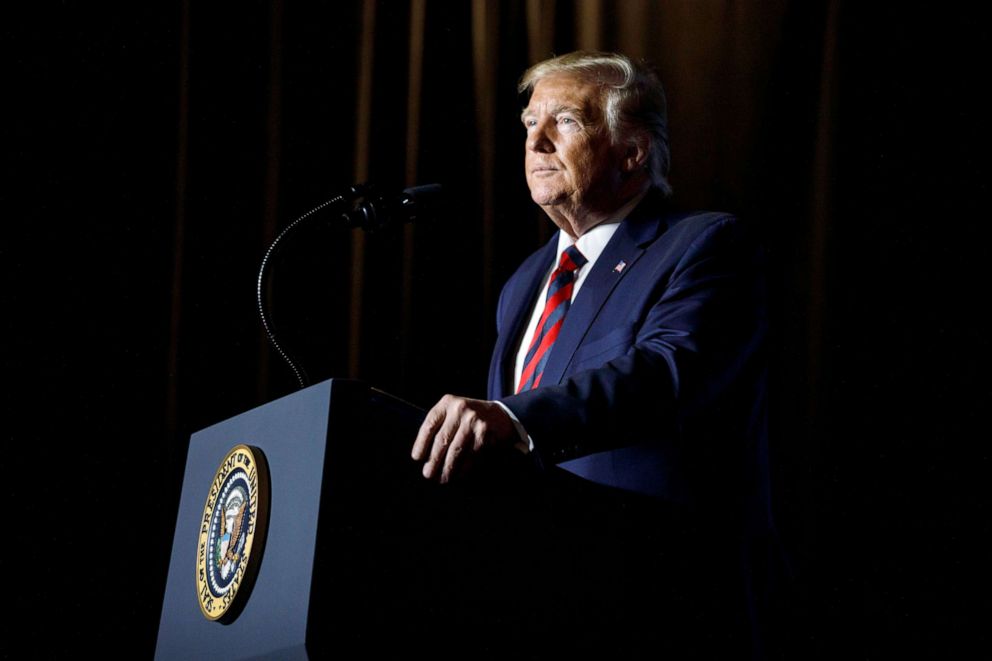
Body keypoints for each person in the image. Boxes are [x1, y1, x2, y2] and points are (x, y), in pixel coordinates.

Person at [411, 51, 777, 657]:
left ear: (632, 152)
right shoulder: (525, 282)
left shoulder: (704, 245)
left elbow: (666, 373)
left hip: (665, 604)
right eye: (530, 124)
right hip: (536, 604)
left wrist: (515, 417)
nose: (538, 141)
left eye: (567, 122)